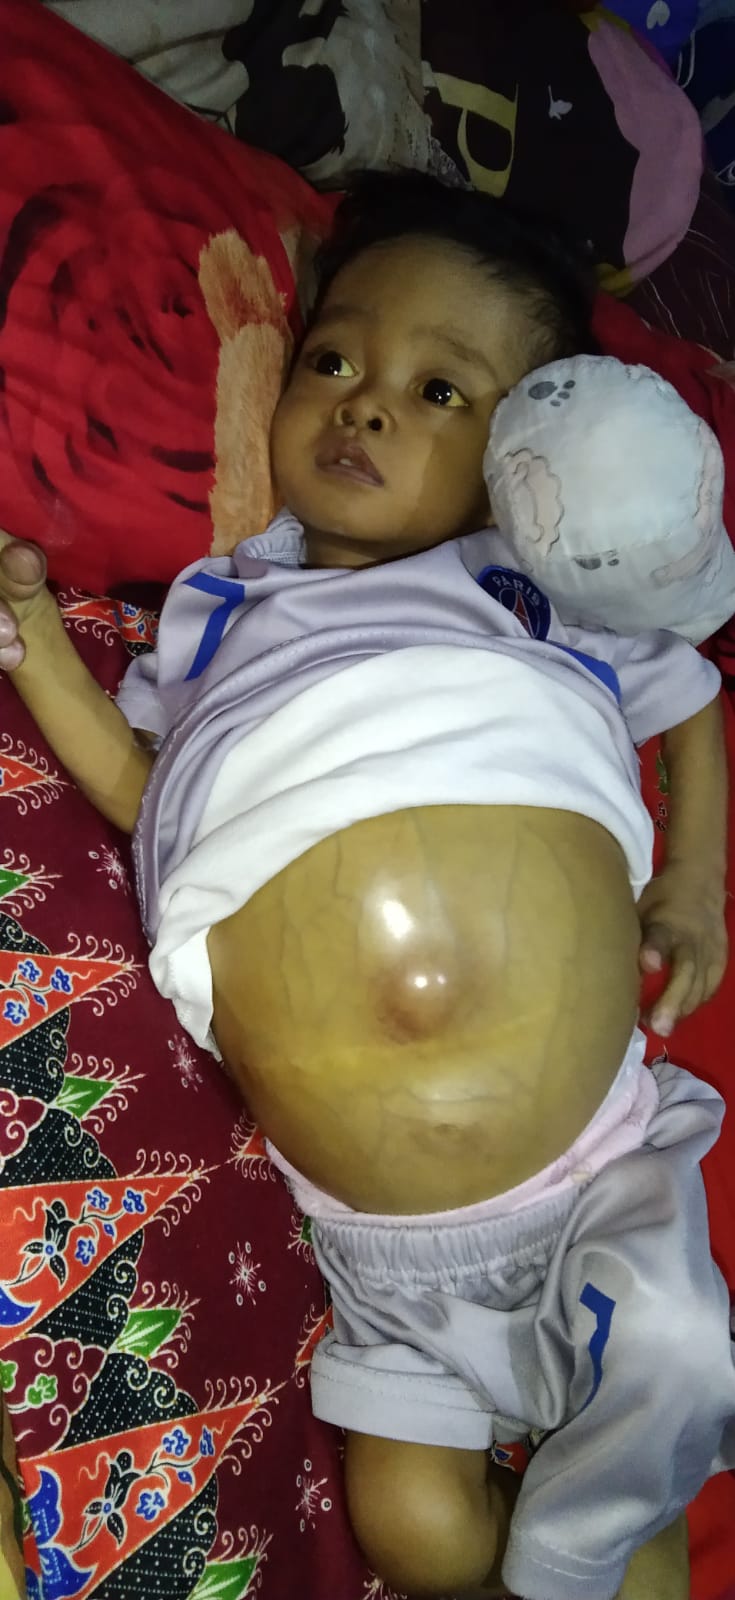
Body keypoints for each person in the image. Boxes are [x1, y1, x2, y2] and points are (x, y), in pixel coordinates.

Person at [0, 173, 732, 1600]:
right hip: (376, 1247)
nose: (366, 407)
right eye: (333, 360)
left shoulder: (532, 593)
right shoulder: (220, 612)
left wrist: (696, 883)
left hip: (597, 1176)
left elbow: (692, 695)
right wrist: (29, 624)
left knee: (657, 1404)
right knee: (414, 1531)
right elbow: (152, 801)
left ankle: (602, 1514)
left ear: (521, 459)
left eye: (440, 391)